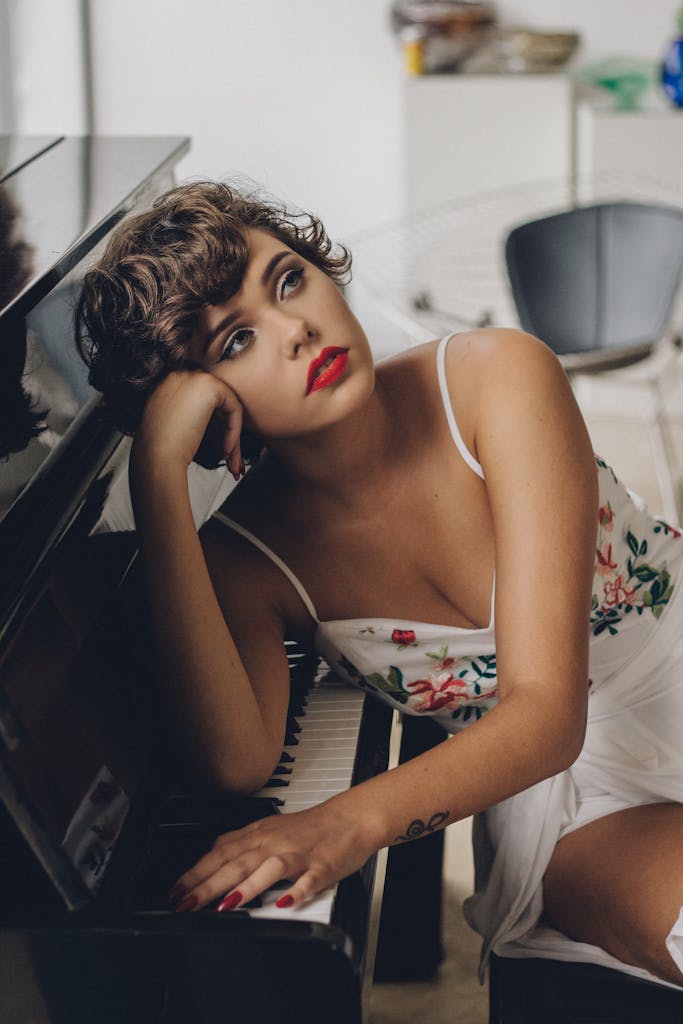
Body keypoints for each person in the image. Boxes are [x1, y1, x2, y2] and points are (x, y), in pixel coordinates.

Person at [75, 181, 683, 990]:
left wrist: (343, 827)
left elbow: (545, 709)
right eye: (235, 342)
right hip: (571, 804)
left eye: (288, 280)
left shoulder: (496, 375)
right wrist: (157, 475)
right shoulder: (245, 560)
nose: (295, 330)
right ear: (203, 402)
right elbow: (235, 764)